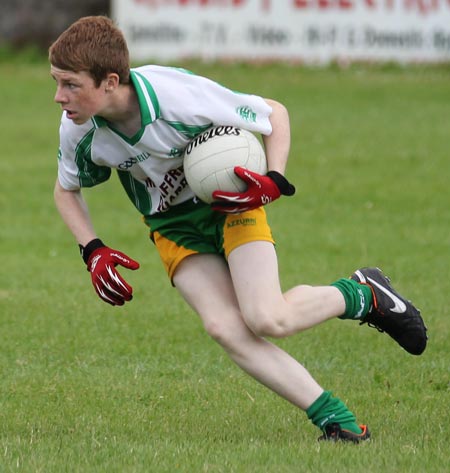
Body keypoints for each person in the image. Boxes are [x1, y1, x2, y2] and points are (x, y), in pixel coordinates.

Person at [48, 16, 427, 443]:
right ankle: (336, 422)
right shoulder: (79, 131)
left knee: (268, 317)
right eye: (56, 83)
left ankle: (365, 294)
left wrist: (274, 179)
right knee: (225, 328)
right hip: (172, 224)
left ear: (110, 81)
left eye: (70, 84)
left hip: (232, 203)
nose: (59, 97)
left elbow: (273, 113)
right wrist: (93, 249)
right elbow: (67, 191)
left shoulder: (177, 97)